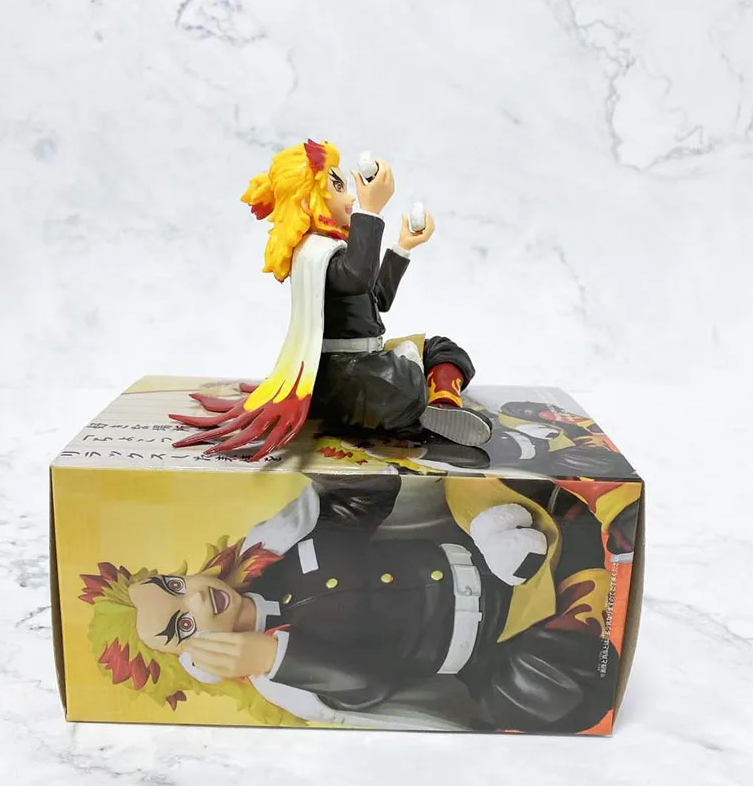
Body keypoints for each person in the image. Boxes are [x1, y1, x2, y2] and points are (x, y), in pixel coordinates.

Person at [80, 474, 622, 732]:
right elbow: (369, 684)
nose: (197, 596)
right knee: (548, 694)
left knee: (479, 486)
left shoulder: (280, 551)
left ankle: (573, 532)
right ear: (194, 660)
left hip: (483, 551)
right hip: (490, 642)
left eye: (176, 586)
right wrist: (274, 658)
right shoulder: (284, 676)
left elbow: (372, 492)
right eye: (181, 625)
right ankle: (587, 565)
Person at [170, 140, 492, 460]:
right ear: (308, 201)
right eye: (338, 186)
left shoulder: (337, 251)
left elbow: (378, 298)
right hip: (342, 372)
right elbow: (358, 277)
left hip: (368, 361)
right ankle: (419, 402)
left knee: (441, 349)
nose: (350, 196)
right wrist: (370, 211)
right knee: (398, 384)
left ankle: (442, 406)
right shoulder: (315, 255)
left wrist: (403, 247)